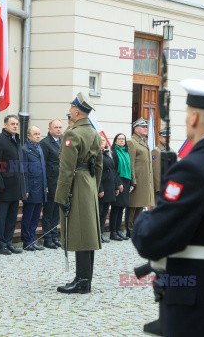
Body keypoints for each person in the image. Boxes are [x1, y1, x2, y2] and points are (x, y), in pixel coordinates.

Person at [132, 79, 204, 336]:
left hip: (198, 301)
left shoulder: (192, 169)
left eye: (186, 114)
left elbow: (151, 239)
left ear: (194, 118)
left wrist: (144, 219)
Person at [55, 92, 102, 294]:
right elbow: (99, 165)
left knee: (81, 233)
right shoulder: (94, 133)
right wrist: (93, 186)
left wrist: (61, 197)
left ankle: (82, 281)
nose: (70, 112)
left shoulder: (72, 134)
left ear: (76, 111)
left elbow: (66, 169)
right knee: (88, 233)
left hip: (77, 184)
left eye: (71, 109)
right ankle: (85, 278)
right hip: (89, 183)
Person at [0, 115, 26, 255]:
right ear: (5, 125)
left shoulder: (17, 140)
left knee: (12, 217)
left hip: (16, 186)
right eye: (12, 124)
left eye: (17, 124)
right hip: (4, 186)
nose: (15, 126)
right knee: (2, 217)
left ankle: (9, 242)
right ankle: (1, 244)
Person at [125, 118, 154, 236]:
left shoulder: (143, 141)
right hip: (137, 180)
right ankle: (129, 229)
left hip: (145, 180)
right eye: (143, 127)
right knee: (133, 206)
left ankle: (135, 228)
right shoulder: (132, 142)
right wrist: (133, 181)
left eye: (146, 127)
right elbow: (131, 163)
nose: (146, 129)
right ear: (136, 129)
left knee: (140, 206)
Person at [21, 125, 47, 251]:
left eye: (39, 133)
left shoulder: (39, 148)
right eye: (35, 134)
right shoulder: (25, 150)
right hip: (31, 188)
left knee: (36, 216)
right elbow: (24, 171)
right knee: (28, 215)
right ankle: (26, 241)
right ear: (28, 136)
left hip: (40, 187)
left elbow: (43, 170)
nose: (38, 136)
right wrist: (25, 189)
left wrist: (45, 185)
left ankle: (32, 239)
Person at [39, 119, 63, 249]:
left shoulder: (63, 142)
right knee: (49, 212)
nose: (58, 129)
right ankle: (47, 238)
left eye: (60, 127)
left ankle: (54, 236)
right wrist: (46, 184)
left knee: (56, 212)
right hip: (51, 181)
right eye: (56, 127)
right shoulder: (45, 143)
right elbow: (43, 165)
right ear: (49, 129)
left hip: (60, 182)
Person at [109, 133, 134, 241]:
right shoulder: (114, 152)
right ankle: (113, 232)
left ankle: (119, 230)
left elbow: (129, 168)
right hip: (118, 181)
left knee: (121, 208)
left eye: (123, 139)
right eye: (119, 139)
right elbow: (113, 170)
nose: (121, 141)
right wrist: (118, 184)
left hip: (126, 182)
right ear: (115, 141)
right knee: (115, 208)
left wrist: (132, 183)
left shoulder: (126, 152)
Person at [98, 134, 119, 243]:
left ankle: (101, 233)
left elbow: (113, 171)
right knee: (99, 212)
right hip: (102, 188)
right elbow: (97, 174)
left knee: (105, 213)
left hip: (110, 187)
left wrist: (116, 186)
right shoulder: (97, 154)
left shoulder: (107, 154)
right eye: (100, 140)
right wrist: (99, 188)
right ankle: (98, 234)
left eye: (103, 140)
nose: (102, 142)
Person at [151, 129, 176, 203]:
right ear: (160, 138)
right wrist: (158, 188)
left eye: (168, 137)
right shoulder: (156, 151)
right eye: (164, 137)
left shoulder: (171, 150)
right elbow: (156, 171)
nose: (167, 139)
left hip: (170, 185)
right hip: (161, 186)